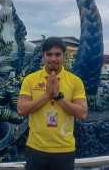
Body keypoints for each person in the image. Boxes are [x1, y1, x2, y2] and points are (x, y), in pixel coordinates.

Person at [17, 37, 88, 170]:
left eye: (57, 54)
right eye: (49, 54)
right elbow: (21, 109)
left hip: (64, 150)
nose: (53, 59)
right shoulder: (30, 80)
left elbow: (82, 113)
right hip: (36, 148)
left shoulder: (75, 81)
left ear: (63, 56)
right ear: (43, 56)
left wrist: (58, 97)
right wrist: (46, 96)